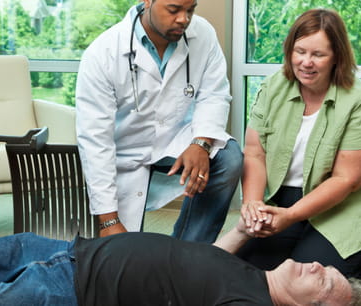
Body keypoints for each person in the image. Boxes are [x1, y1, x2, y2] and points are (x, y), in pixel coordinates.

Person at [238, 8, 361, 286]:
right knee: (246, 271)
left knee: (304, 280)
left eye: (318, 55)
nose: (306, 63)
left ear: (336, 56)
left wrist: (291, 217)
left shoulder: (358, 97)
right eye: (300, 52)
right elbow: (254, 152)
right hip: (285, 200)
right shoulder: (273, 86)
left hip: (350, 206)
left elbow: (348, 180)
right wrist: (253, 202)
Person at [75, 0, 242, 241]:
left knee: (229, 156)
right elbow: (95, 140)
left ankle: (188, 253)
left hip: (175, 142)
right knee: (124, 257)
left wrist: (201, 143)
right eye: (174, 10)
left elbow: (214, 94)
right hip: (125, 155)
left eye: (191, 9)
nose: (184, 19)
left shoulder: (202, 34)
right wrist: (108, 220)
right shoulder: (103, 53)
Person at [0, 215, 361, 305]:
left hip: (67, 290)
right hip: (74, 250)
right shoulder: (256, 276)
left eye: (325, 281)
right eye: (328, 267)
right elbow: (205, 261)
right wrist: (242, 232)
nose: (317, 265)